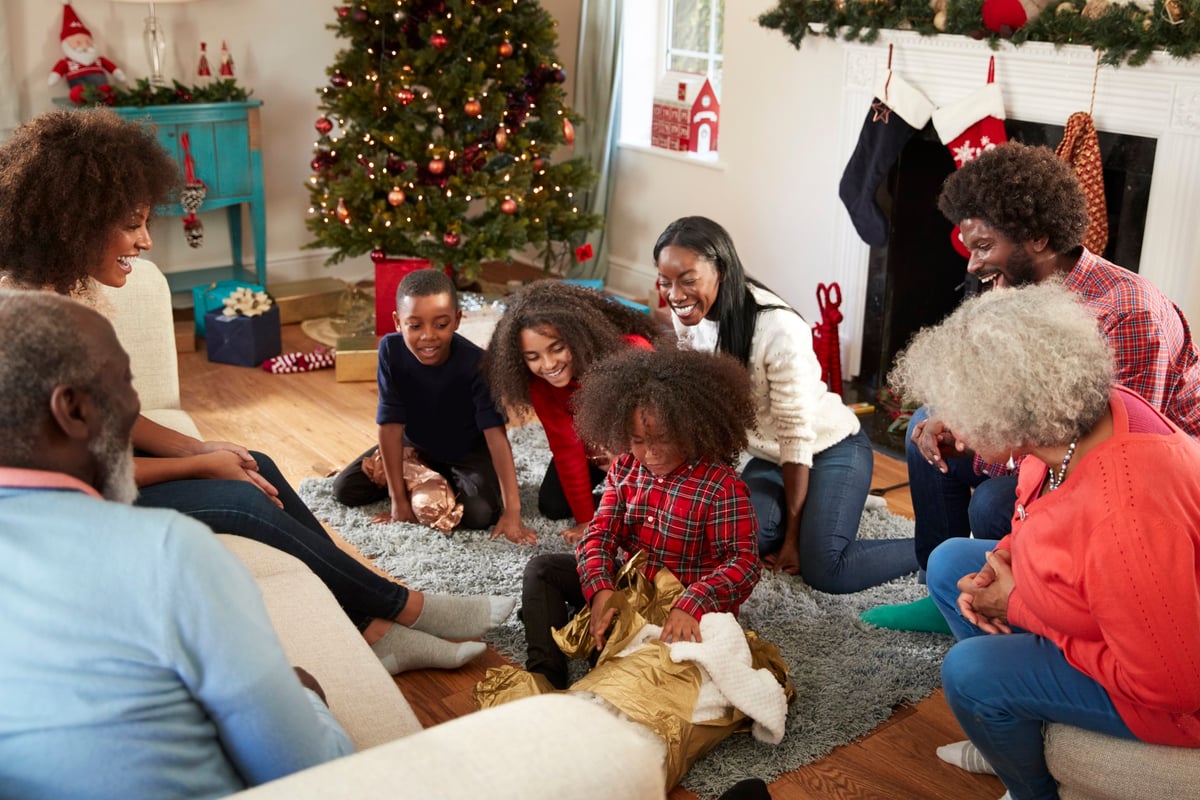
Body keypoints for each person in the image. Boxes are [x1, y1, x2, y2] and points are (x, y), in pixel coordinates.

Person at [0, 108, 511, 676]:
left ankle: (376, 633)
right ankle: (407, 607)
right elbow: (76, 471)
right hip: (66, 506)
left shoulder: (59, 292)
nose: (145, 240)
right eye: (131, 224)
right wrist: (201, 467)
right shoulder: (27, 324)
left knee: (257, 462)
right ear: (77, 221)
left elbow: (113, 419)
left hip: (93, 475)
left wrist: (199, 451)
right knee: (241, 497)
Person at [0, 290, 354, 798]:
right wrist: (310, 699)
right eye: (124, 381)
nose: (134, 404)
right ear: (73, 411)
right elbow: (309, 771)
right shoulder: (167, 553)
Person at [864, 141, 1200, 634]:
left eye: (984, 247)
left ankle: (1021, 602)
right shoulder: (1013, 285)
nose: (973, 266)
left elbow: (1119, 460)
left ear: (1038, 239)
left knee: (994, 502)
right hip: (1053, 446)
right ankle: (939, 587)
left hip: (1141, 487)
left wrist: (982, 446)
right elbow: (1013, 397)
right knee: (923, 429)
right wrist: (961, 417)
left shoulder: (1127, 312)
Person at [890, 283, 1200, 800]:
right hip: (1113, 609)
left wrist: (1020, 607)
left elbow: (1173, 686)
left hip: (1173, 694)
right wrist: (1007, 553)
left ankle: (1030, 788)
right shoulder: (1078, 420)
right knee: (949, 565)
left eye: (959, 409)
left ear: (1008, 414)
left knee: (969, 674)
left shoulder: (1126, 517)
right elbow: (1039, 508)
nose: (953, 429)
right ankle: (1006, 733)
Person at [654, 216, 917, 593]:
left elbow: (796, 437)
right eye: (666, 281)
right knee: (740, 543)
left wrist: (793, 538)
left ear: (722, 271)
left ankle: (933, 548)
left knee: (824, 568)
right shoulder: (689, 317)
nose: (675, 295)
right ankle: (822, 512)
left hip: (827, 447)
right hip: (769, 457)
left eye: (687, 280)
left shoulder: (777, 328)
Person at [521, 348, 761, 689]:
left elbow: (744, 562)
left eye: (663, 440)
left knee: (620, 667)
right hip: (630, 586)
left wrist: (692, 602)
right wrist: (600, 590)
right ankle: (545, 675)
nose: (650, 453)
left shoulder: (721, 486)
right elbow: (599, 535)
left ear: (692, 429)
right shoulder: (625, 468)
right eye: (638, 441)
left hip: (685, 605)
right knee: (541, 570)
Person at [333, 268, 537, 545]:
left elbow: (496, 437)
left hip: (465, 452)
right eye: (415, 326)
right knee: (345, 489)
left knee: (480, 514)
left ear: (457, 319)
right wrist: (398, 501)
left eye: (440, 325)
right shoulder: (390, 351)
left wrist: (513, 512)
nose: (428, 336)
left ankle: (434, 482)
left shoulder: (477, 364)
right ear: (397, 322)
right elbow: (390, 426)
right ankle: (419, 478)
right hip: (413, 446)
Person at [484, 279, 666, 543]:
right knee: (553, 505)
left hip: (643, 452)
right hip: (592, 452)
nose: (548, 365)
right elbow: (566, 449)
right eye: (533, 357)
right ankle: (614, 497)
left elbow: (660, 432)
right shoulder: (542, 387)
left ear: (576, 336)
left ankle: (625, 497)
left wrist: (620, 461)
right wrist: (587, 520)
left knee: (654, 512)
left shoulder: (631, 352)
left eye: (557, 348)